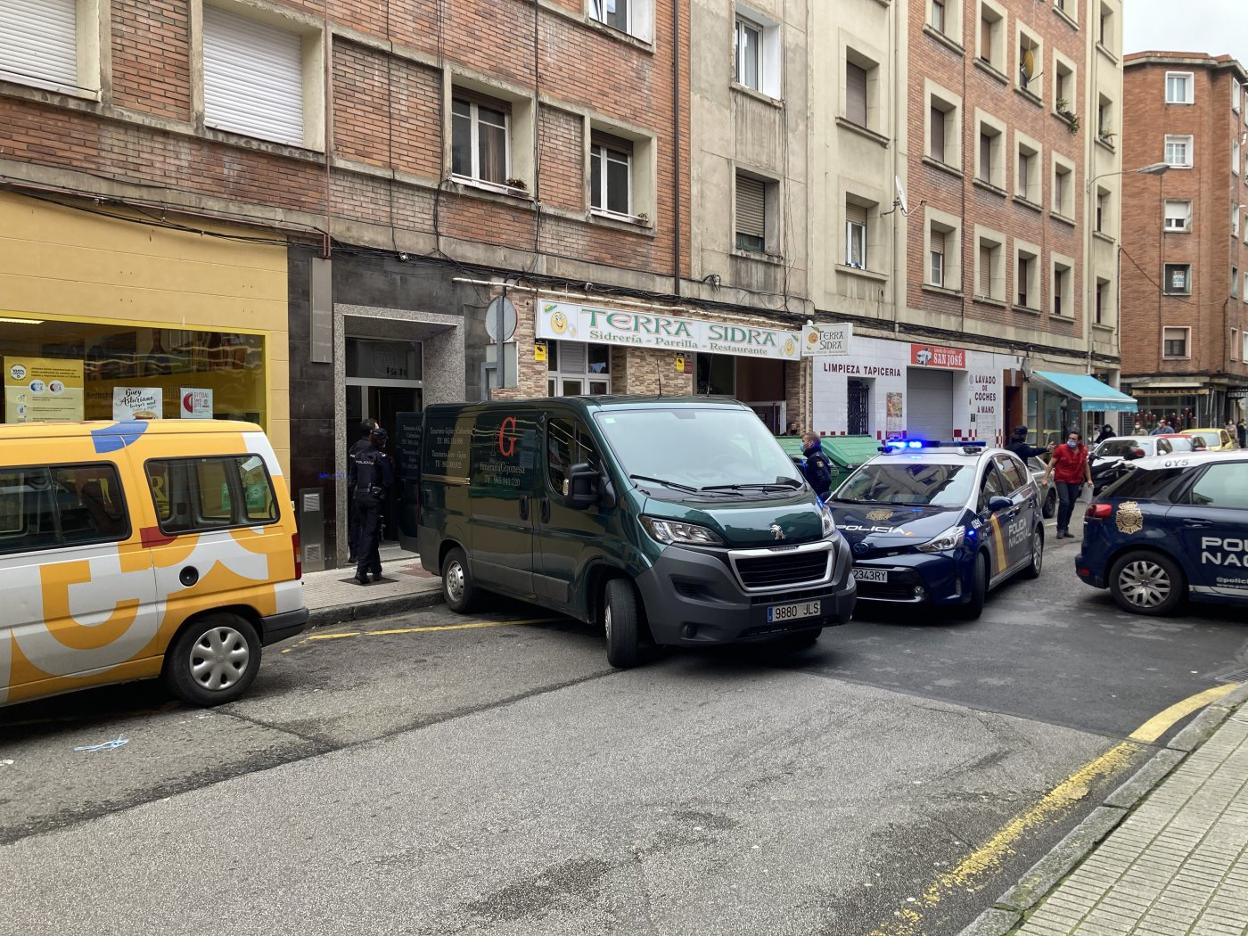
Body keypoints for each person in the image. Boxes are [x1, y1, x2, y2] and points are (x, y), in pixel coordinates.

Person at [348, 426, 393, 585]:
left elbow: (352, 479)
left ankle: (376, 569)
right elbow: (388, 481)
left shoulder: (359, 455)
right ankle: (361, 571)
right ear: (382, 441)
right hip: (373, 499)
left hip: (359, 497)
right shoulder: (381, 457)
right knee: (369, 534)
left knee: (369, 533)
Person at [1043, 430, 1092, 539]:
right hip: (1061, 479)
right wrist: (1045, 478)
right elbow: (1051, 464)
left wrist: (1089, 479)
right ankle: (1060, 529)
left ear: (1079, 441)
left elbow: (1085, 465)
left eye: (1074, 439)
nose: (1071, 440)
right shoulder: (1061, 449)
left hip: (1075, 480)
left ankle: (1065, 528)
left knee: (1071, 504)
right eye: (1070, 438)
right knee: (1065, 502)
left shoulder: (1083, 450)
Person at [346, 419, 378, 564]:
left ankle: (354, 553)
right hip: (370, 492)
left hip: (356, 492)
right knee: (368, 527)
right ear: (371, 432)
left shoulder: (354, 447)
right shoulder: (373, 449)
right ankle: (368, 559)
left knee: (355, 523)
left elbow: (352, 471)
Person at [799, 431, 833, 501]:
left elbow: (825, 479)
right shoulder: (819, 455)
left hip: (817, 497)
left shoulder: (815, 458)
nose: (802, 444)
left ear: (811, 443)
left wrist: (815, 494)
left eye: (803, 441)